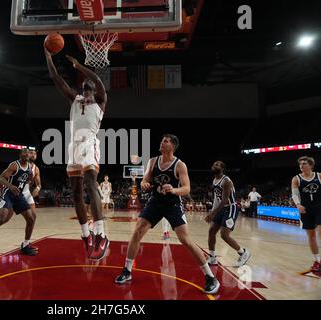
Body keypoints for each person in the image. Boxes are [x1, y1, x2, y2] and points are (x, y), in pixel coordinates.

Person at [114, 134, 220, 294]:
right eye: (162, 140)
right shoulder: (153, 161)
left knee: (185, 240)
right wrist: (144, 184)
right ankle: (127, 271)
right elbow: (145, 179)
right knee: (137, 232)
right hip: (155, 202)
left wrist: (173, 190)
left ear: (172, 146)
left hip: (173, 204)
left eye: (165, 141)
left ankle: (210, 277)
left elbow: (187, 188)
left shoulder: (180, 165)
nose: (161, 143)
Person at [45, 47, 109, 260]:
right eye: (85, 88)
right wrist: (48, 56)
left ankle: (101, 234)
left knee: (91, 183)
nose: (88, 90)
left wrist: (79, 66)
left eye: (90, 89)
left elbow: (98, 80)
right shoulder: (75, 99)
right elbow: (55, 78)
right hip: (73, 147)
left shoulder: (100, 102)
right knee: (75, 192)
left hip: (90, 143)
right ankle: (86, 234)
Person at [205, 161, 251, 267]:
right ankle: (212, 258)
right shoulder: (215, 180)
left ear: (222, 168)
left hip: (230, 208)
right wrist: (212, 212)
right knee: (211, 231)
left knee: (224, 235)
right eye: (213, 164)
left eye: (216, 164)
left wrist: (212, 213)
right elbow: (217, 199)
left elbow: (225, 200)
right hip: (221, 209)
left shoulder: (226, 181)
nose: (213, 165)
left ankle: (243, 253)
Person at [291, 156, 321, 272]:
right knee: (311, 236)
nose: (301, 166)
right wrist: (298, 204)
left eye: (304, 163)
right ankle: (317, 261)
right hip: (305, 209)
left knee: (320, 231)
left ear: (311, 165)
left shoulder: (319, 176)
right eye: (300, 164)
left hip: (319, 207)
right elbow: (295, 194)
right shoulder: (296, 178)